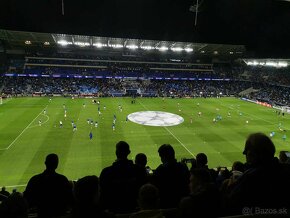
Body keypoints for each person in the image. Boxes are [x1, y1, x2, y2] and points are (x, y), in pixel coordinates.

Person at [226, 133, 290, 216]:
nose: (245, 154)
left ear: (254, 155)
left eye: (247, 152)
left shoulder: (250, 177)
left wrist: (230, 186)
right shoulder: (286, 170)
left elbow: (230, 206)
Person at [99, 141, 147, 214]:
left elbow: (102, 196)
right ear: (129, 152)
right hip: (135, 210)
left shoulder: (106, 172)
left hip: (114, 211)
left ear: (116, 152)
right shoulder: (139, 170)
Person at [152, 144, 190, 208]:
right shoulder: (183, 167)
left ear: (163, 157)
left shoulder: (160, 170)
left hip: (166, 204)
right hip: (181, 203)